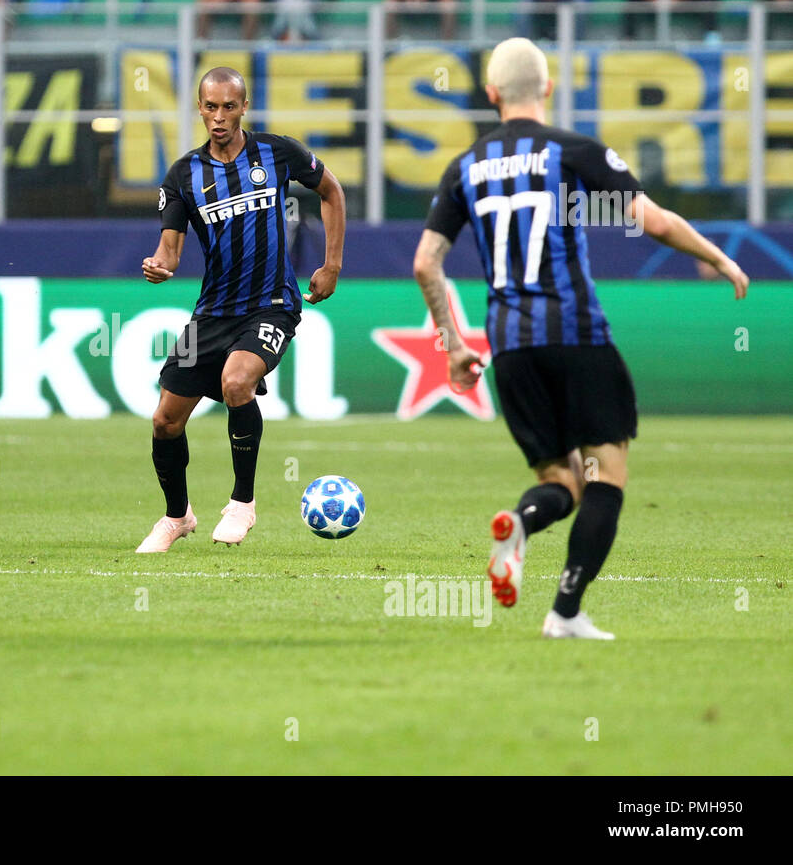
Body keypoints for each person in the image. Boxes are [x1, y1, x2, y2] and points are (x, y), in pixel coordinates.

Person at [411, 37, 749, 639]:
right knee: (603, 479)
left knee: (559, 482)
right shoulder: (571, 152)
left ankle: (520, 524)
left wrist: (454, 345)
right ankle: (565, 610)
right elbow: (655, 222)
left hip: (511, 348)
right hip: (577, 336)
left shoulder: (463, 167)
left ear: (491, 95)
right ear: (547, 87)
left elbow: (425, 264)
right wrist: (720, 259)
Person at [136, 67, 345, 554]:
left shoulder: (277, 152)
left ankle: (243, 503)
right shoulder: (183, 175)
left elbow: (331, 190)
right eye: (210, 107)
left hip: (271, 303)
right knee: (165, 420)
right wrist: (159, 267)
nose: (219, 117)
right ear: (200, 108)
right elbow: (169, 250)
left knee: (236, 382)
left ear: (244, 107)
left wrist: (331, 264)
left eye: (229, 107)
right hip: (212, 312)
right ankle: (177, 517)